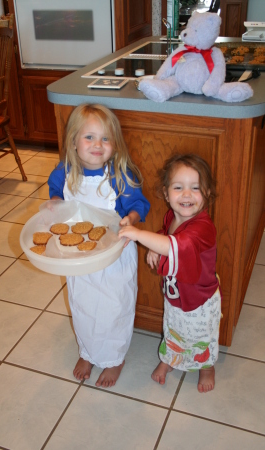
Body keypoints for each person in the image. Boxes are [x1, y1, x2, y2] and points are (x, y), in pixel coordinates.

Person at [48, 103, 150, 388]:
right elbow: (56, 190)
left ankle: (114, 357)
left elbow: (138, 204)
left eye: (105, 138)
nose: (97, 145)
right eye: (89, 137)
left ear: (115, 145)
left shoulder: (120, 174)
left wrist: (130, 217)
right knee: (83, 304)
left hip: (114, 256)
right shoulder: (66, 171)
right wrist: (55, 201)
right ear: (74, 142)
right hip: (79, 257)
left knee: (113, 306)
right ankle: (88, 351)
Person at [118, 154, 221, 393]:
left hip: (200, 301)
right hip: (175, 296)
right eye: (178, 187)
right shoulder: (171, 217)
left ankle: (206, 367)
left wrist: (139, 235)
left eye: (195, 188)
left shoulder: (203, 227)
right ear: (166, 194)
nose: (187, 194)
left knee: (201, 337)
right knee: (173, 329)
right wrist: (155, 246)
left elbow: (176, 246)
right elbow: (166, 236)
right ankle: (170, 359)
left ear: (207, 193)